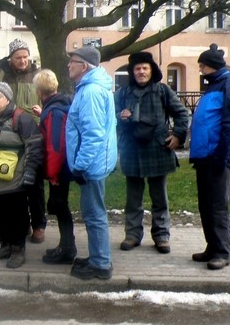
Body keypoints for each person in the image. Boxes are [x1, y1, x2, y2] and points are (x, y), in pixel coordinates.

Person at [115, 52, 190, 254]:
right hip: (131, 149)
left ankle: (162, 236)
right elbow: (110, 118)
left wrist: (178, 136)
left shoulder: (162, 91)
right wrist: (120, 116)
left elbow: (182, 113)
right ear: (132, 71)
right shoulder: (122, 93)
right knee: (133, 199)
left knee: (159, 198)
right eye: (137, 68)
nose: (141, 72)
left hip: (158, 149)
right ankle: (132, 235)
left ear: (151, 70)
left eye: (145, 68)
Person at [0, 81, 43, 269]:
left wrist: (29, 172)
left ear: (8, 99)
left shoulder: (22, 119)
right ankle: (5, 244)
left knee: (16, 214)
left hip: (15, 179)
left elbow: (34, 146)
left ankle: (18, 249)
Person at [189, 44, 230, 271]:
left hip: (220, 155)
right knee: (206, 205)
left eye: (202, 65)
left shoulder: (229, 84)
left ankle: (222, 252)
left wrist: (222, 151)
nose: (200, 69)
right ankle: (212, 247)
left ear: (211, 65)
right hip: (205, 155)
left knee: (218, 205)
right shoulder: (213, 85)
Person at [65, 45, 117, 280]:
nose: (68, 65)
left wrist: (80, 165)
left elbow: (93, 133)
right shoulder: (90, 88)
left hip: (91, 165)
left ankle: (101, 264)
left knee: (94, 214)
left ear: (83, 66)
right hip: (95, 162)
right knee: (93, 213)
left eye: (72, 61)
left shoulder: (91, 92)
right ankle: (98, 257)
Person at [0, 38, 46, 244]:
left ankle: (39, 224)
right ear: (10, 58)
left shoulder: (37, 75)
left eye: (25, 57)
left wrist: (43, 114)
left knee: (35, 184)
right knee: (15, 183)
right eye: (17, 57)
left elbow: (49, 98)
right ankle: (23, 225)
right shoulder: (4, 74)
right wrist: (1, 70)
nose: (22, 61)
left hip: (34, 135)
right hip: (10, 137)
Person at [31, 69, 76, 264]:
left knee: (60, 205)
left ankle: (67, 249)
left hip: (59, 169)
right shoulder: (59, 104)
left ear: (39, 93)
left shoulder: (54, 111)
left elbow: (55, 146)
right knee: (59, 205)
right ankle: (65, 245)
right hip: (63, 166)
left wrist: (52, 174)